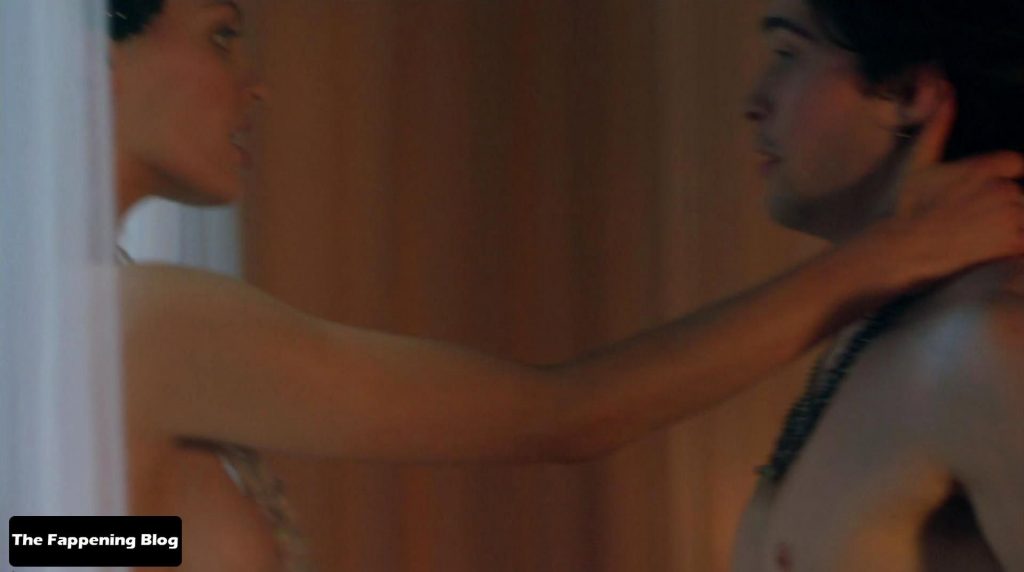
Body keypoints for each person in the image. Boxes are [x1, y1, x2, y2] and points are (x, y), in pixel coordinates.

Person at [107, 0, 1024, 570]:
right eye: (221, 34)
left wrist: (148, 543)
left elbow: (47, 541)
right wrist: (876, 260)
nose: (255, 85)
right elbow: (560, 413)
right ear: (95, 53)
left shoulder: (106, 318)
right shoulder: (149, 320)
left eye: (789, 51)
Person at [735, 0, 1024, 570]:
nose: (755, 100)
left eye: (789, 53)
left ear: (910, 94)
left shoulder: (987, 343)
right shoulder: (872, 329)